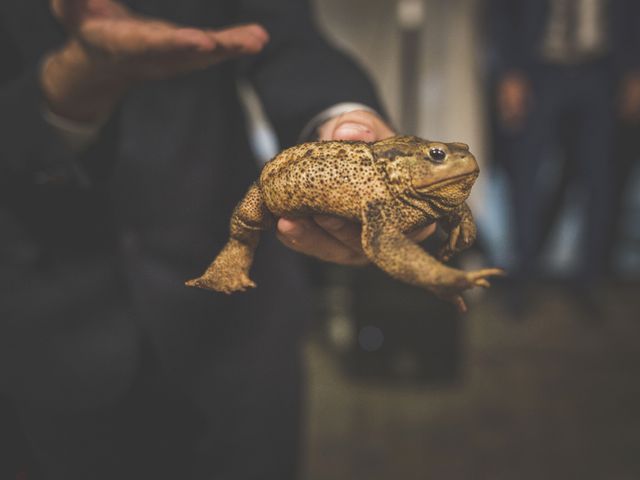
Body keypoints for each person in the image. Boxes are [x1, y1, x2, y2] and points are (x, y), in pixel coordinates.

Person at [0, 0, 434, 478]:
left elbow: (288, 42)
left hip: (236, 321)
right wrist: (60, 95)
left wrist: (343, 128)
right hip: (38, 335)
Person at [488, 0, 640, 309]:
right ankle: (522, 276)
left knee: (599, 179)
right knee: (526, 176)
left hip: (601, 70)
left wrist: (633, 70)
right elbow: (503, 11)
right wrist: (509, 72)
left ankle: (590, 279)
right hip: (538, 69)